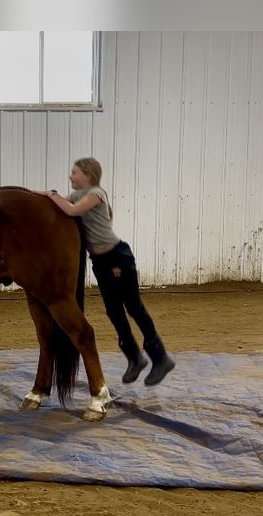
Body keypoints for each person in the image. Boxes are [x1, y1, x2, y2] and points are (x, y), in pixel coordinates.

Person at [34, 157, 175, 386]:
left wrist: (52, 194)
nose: (71, 176)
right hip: (100, 262)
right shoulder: (78, 194)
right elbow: (58, 201)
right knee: (113, 311)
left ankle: (160, 357)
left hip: (117, 258)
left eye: (75, 172)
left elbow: (70, 210)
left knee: (133, 307)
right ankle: (134, 357)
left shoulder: (96, 194)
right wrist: (37, 194)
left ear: (88, 175)